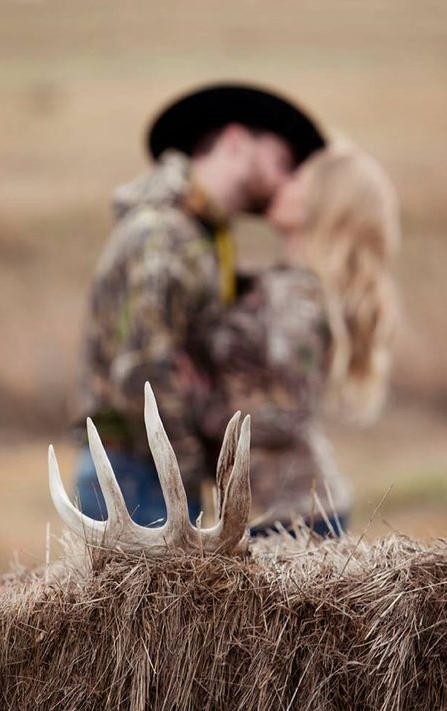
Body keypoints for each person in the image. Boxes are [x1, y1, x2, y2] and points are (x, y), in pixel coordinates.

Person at [73, 83, 326, 525]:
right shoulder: (166, 235)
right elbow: (143, 373)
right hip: (140, 473)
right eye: (283, 162)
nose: (288, 180)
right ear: (235, 141)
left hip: (147, 472)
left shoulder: (200, 238)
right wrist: (190, 475)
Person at [199, 142, 401, 536]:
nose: (282, 185)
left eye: (297, 180)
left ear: (321, 205)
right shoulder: (291, 284)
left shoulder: (301, 297)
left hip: (291, 518)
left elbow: (288, 412)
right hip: (281, 510)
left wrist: (196, 415)